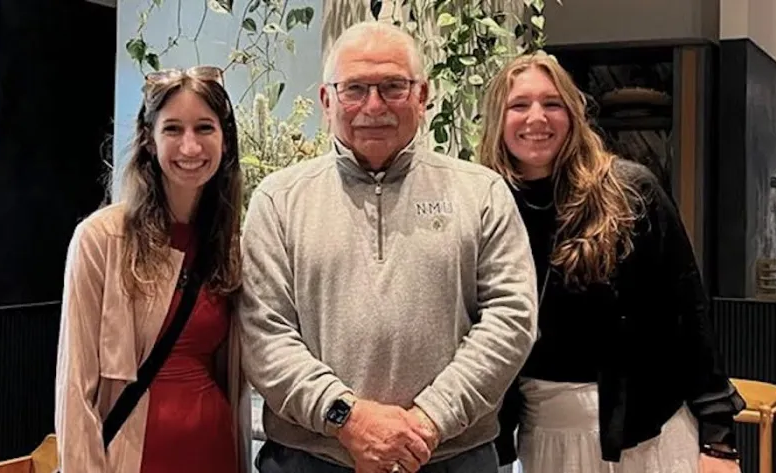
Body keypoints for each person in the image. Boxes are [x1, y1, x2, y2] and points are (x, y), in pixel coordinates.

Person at [238, 21, 538, 473]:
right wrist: (347, 419)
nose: (374, 106)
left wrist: (429, 421)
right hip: (311, 460)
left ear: (422, 95)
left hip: (451, 458)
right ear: (326, 100)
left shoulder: (481, 193)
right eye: (354, 89)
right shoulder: (279, 200)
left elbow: (511, 319)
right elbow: (265, 334)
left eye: (393, 87)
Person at [478, 52, 746, 473]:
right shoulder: (484, 205)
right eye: (519, 105)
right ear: (497, 118)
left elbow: (689, 314)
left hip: (648, 432)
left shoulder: (631, 191)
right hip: (543, 435)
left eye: (552, 103)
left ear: (574, 113)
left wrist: (719, 442)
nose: (537, 117)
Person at [55, 66, 251, 473]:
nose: (190, 147)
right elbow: (75, 389)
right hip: (131, 458)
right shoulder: (101, 239)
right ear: (149, 138)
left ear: (225, 139)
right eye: (173, 129)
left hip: (214, 451)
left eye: (204, 128)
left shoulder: (231, 244)